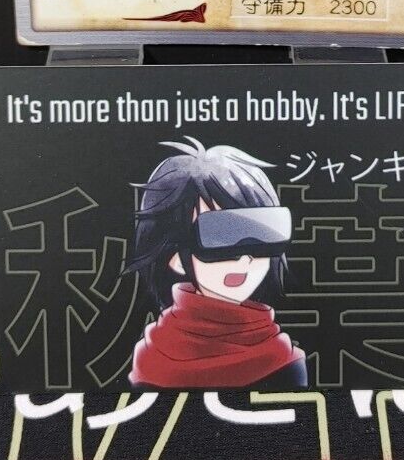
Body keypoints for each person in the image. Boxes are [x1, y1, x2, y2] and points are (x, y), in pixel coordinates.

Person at [127, 138, 308, 389]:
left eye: (260, 233)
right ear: (176, 257)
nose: (245, 257)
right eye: (219, 235)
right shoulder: (152, 357)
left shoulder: (283, 358)